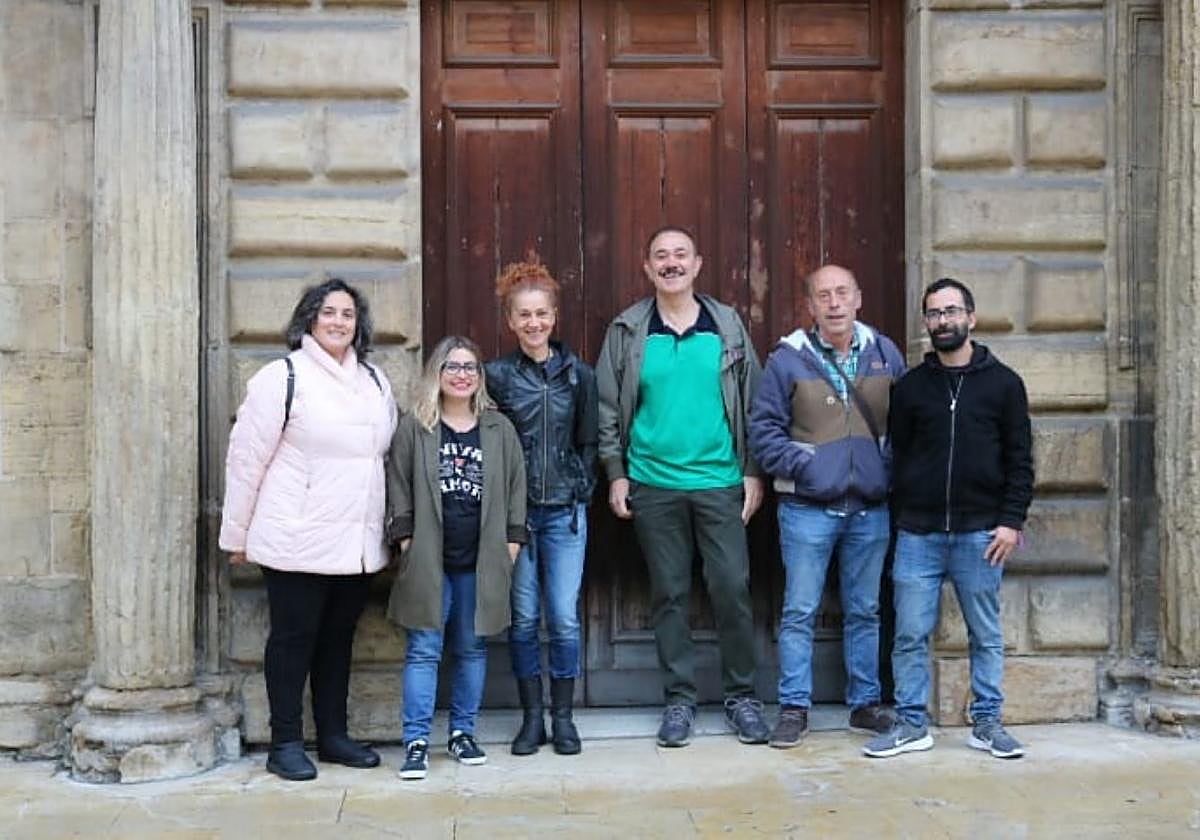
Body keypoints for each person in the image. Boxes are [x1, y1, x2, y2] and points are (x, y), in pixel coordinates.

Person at [596, 225, 769, 748]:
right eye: (660, 257)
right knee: (669, 594)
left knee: (732, 589)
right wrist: (615, 473)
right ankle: (680, 701)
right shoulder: (627, 331)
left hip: (719, 481)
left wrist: (754, 470)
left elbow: (755, 400)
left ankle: (742, 697)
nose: (671, 264)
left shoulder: (728, 325)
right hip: (653, 482)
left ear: (697, 265)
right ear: (647, 268)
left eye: (680, 255)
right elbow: (607, 409)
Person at [220, 278, 397, 781]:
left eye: (348, 313)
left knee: (339, 640)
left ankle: (334, 736)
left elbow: (382, 460)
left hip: (356, 542)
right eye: (328, 312)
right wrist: (237, 535)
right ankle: (285, 742)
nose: (338, 321)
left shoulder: (375, 381)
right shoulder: (283, 377)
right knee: (293, 640)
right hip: (295, 537)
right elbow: (247, 459)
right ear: (309, 320)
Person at [864, 277, 1033, 760]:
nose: (943, 321)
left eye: (951, 311)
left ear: (971, 318)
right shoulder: (912, 387)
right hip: (918, 532)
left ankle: (987, 722)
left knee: (985, 632)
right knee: (910, 633)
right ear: (926, 324)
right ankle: (912, 723)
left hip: (982, 533)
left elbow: (1021, 459)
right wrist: (902, 518)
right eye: (934, 314)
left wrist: (1011, 521)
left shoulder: (1004, 385)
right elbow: (899, 456)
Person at [749, 264, 906, 748]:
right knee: (799, 610)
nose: (834, 303)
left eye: (842, 293)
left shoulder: (885, 355)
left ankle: (864, 704)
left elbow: (907, 425)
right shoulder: (787, 360)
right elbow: (764, 429)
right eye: (824, 295)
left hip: (870, 508)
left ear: (857, 298)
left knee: (865, 610)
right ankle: (794, 707)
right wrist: (806, 466)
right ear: (811, 306)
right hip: (807, 508)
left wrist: (888, 472)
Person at [386, 336, 527, 781]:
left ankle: (463, 733)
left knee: (471, 648)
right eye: (452, 366)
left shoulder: (498, 429)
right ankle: (416, 741)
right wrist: (406, 540)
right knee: (424, 649)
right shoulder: (416, 426)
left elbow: (515, 488)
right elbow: (398, 484)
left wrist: (511, 545)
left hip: (481, 559)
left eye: (470, 367)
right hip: (431, 558)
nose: (462, 374)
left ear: (479, 376)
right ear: (437, 374)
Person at [486, 260, 598, 756]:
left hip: (565, 515)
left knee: (564, 617)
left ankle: (564, 719)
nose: (533, 323)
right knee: (525, 616)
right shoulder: (498, 377)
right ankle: (532, 720)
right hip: (517, 519)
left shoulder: (581, 377)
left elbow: (590, 441)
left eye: (542, 313)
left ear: (554, 317)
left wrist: (581, 487)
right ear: (511, 321)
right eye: (523, 315)